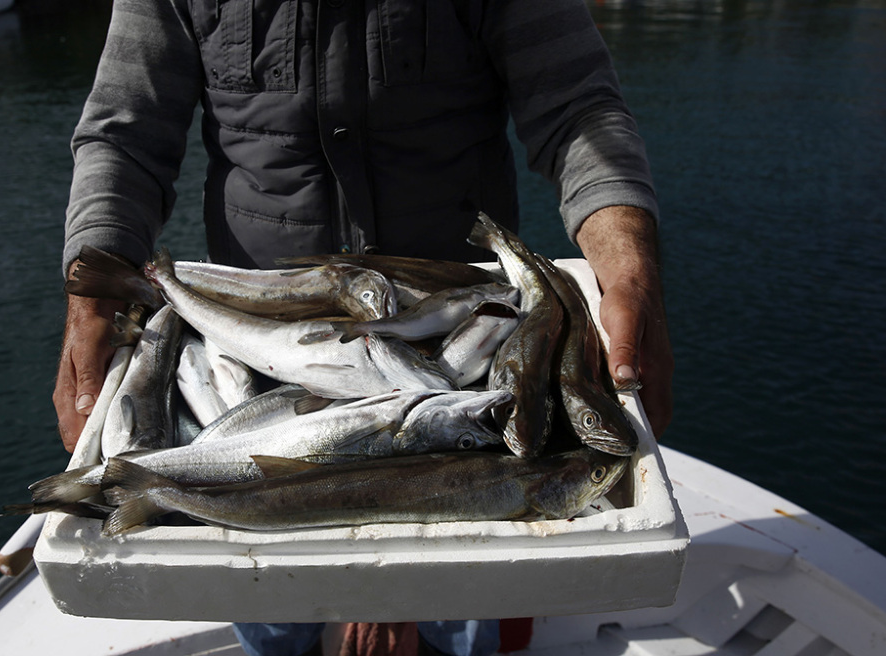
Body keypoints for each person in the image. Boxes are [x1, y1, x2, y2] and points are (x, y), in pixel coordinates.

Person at [52, 0, 673, 653]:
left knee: (462, 608)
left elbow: (577, 109)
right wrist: (88, 302)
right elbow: (126, 133)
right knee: (270, 609)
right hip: (250, 343)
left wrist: (633, 278)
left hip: (460, 331)